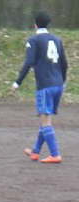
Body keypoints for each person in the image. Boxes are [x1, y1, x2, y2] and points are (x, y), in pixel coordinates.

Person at [12, 11, 67, 164]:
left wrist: (18, 82)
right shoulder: (57, 39)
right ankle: (35, 151)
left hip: (45, 86)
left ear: (35, 24)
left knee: (45, 120)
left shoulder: (34, 40)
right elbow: (64, 64)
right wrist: (63, 81)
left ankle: (55, 154)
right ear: (48, 24)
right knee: (46, 118)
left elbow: (29, 62)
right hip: (58, 85)